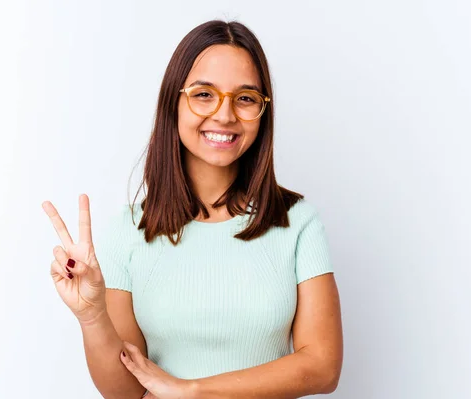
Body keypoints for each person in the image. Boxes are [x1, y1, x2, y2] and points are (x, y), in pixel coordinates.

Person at [43, 19, 343, 399]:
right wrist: (92, 316)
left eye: (245, 98)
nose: (225, 114)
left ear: (263, 111)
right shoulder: (126, 232)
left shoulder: (298, 222)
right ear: (175, 100)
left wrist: (191, 391)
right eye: (204, 94)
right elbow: (126, 393)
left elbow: (322, 367)